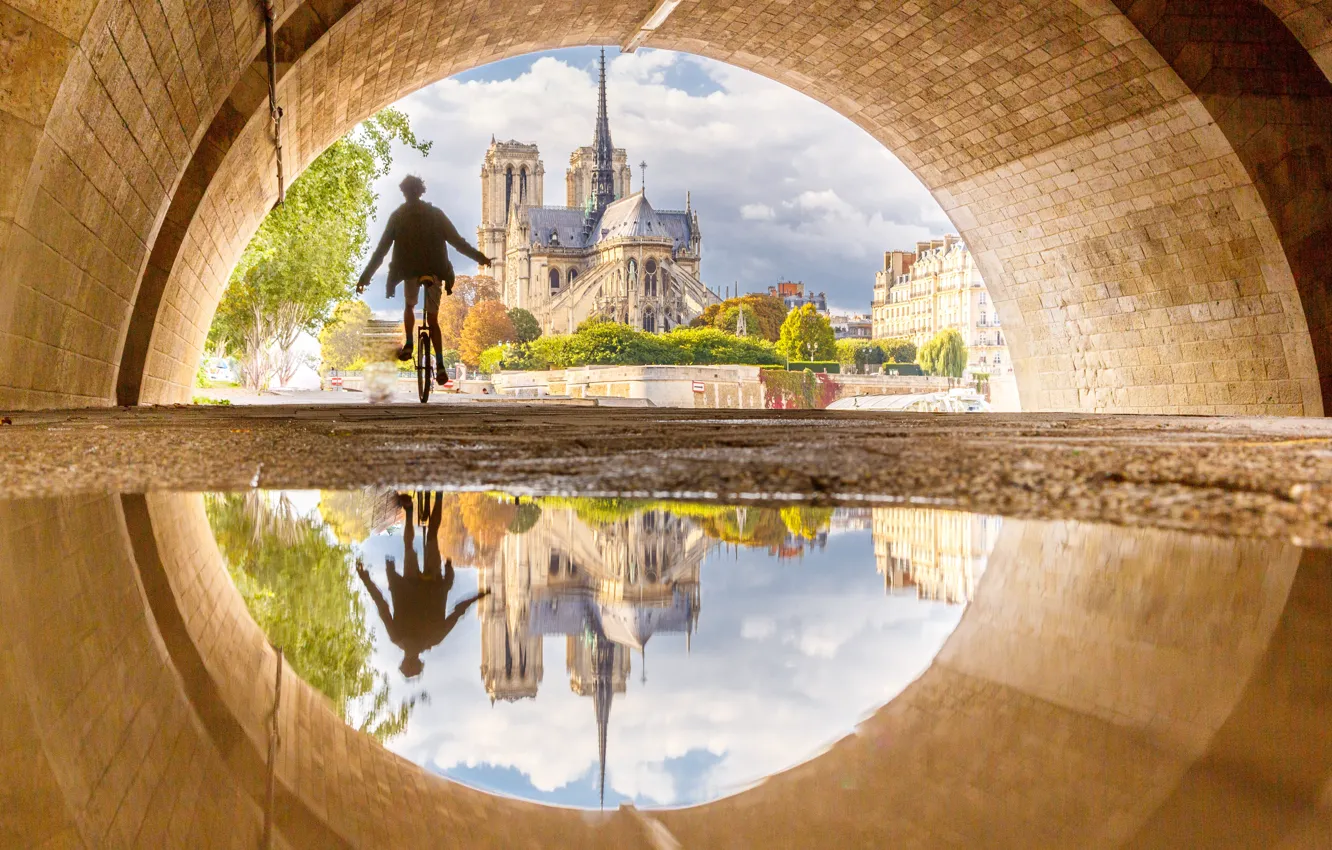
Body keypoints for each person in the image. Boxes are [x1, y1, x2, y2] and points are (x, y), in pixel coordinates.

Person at [356, 175, 492, 384]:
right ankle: (440, 365)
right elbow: (458, 242)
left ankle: (410, 343)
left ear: (404, 193)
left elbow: (381, 251)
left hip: (410, 270)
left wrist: (365, 278)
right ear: (421, 191)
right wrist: (480, 257)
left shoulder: (397, 216)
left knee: (410, 306)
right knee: (433, 321)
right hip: (435, 270)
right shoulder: (436, 215)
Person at [357, 492, 487, 679]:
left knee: (432, 534)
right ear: (404, 659)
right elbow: (382, 605)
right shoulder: (397, 637)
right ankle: (409, 512)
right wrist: (366, 579)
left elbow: (458, 611)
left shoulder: (434, 638)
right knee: (409, 546)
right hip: (410, 583)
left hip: (434, 583)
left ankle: (440, 495)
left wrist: (478, 595)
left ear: (419, 660)